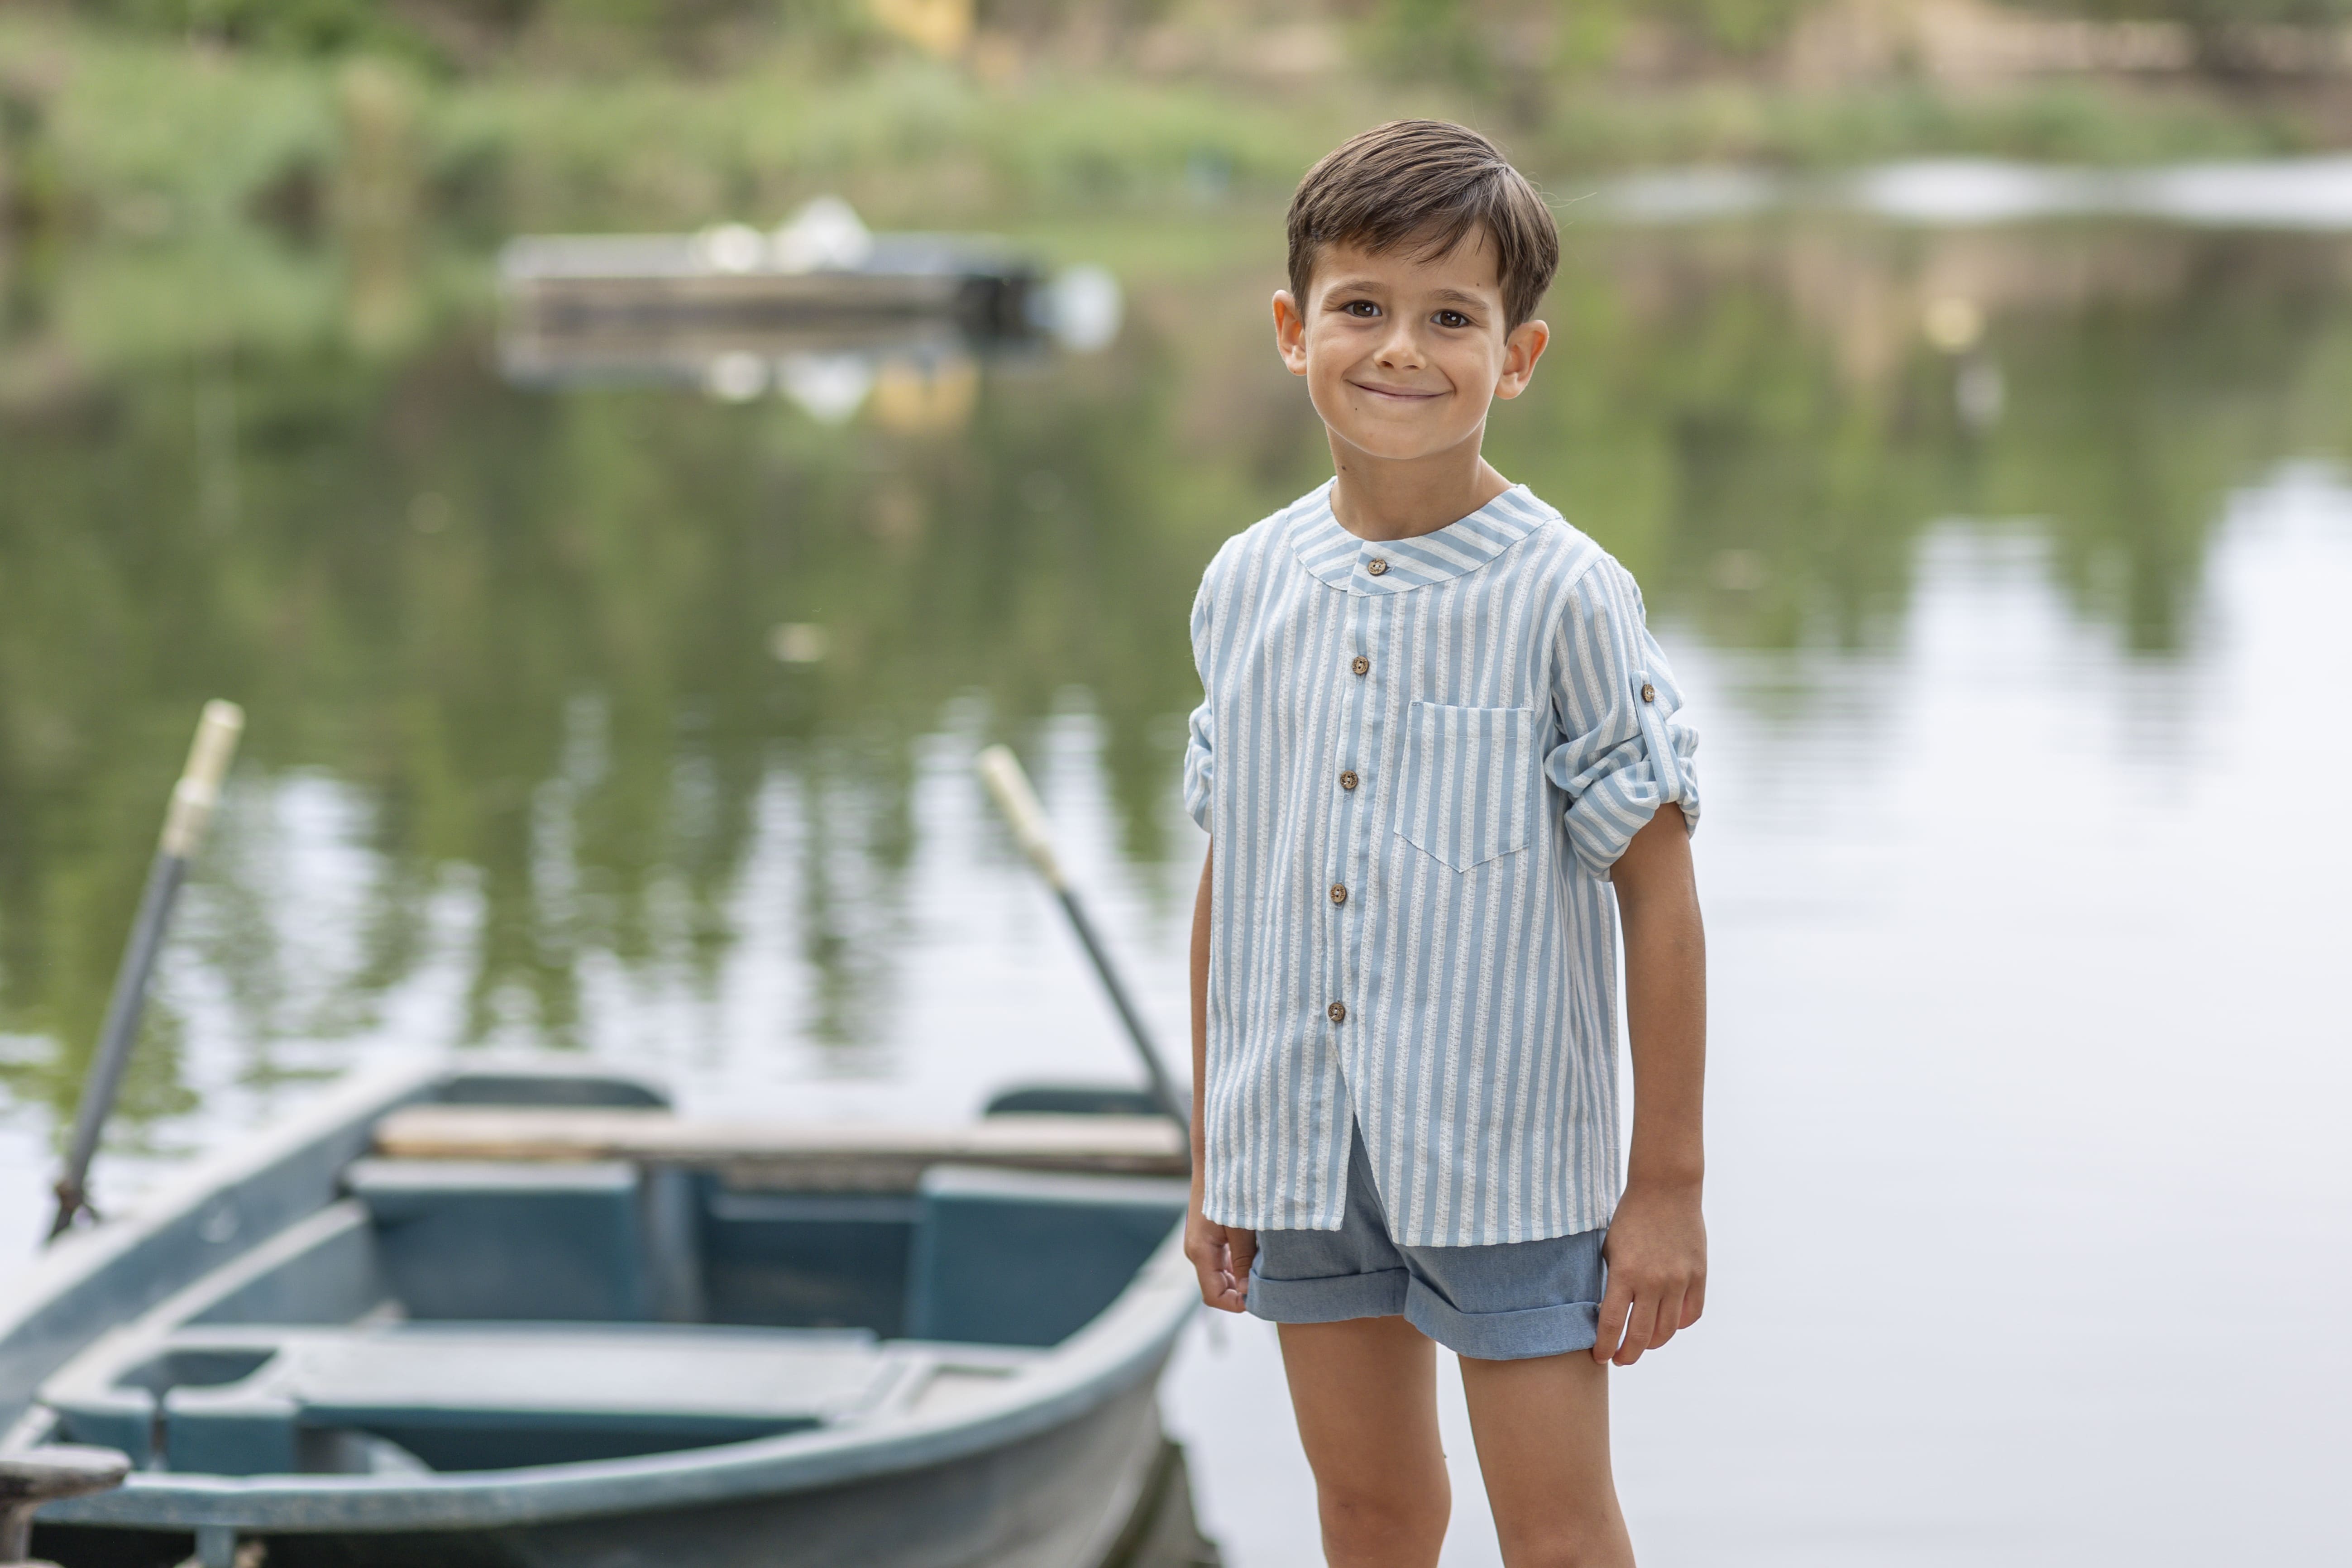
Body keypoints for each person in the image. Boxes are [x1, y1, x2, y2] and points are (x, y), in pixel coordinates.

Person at [1180, 119, 1707, 1568]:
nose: (1400, 349)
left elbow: (1658, 892)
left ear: (1516, 357)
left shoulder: (1563, 594)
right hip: (1299, 1150)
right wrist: (1218, 1149)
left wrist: (1664, 1187)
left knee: (1556, 1530)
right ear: (1293, 330)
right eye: (1361, 306)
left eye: (1450, 318)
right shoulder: (1245, 583)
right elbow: (1235, 869)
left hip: (1508, 1158)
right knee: (1370, 1512)